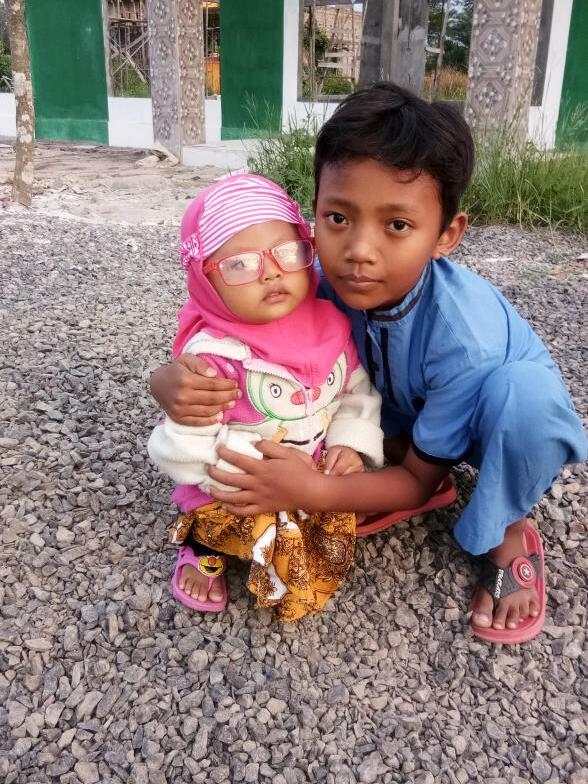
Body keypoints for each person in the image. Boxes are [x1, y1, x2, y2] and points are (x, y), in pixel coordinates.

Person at [150, 84, 587, 644]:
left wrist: (313, 492)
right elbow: (218, 313)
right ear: (313, 212)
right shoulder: (308, 277)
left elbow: (413, 484)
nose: (359, 250)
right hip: (404, 407)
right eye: (338, 217)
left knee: (524, 404)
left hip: (491, 418)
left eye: (397, 225)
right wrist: (168, 379)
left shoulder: (466, 342)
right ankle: (400, 457)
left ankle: (508, 531)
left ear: (446, 234)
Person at [148, 174, 385, 622]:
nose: (272, 272)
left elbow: (355, 391)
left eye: (287, 252)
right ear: (205, 280)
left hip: (308, 469)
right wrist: (242, 477)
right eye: (240, 264)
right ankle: (204, 548)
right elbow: (187, 446)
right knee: (222, 522)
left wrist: (349, 444)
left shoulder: (332, 324)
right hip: (240, 484)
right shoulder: (214, 360)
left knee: (328, 520)